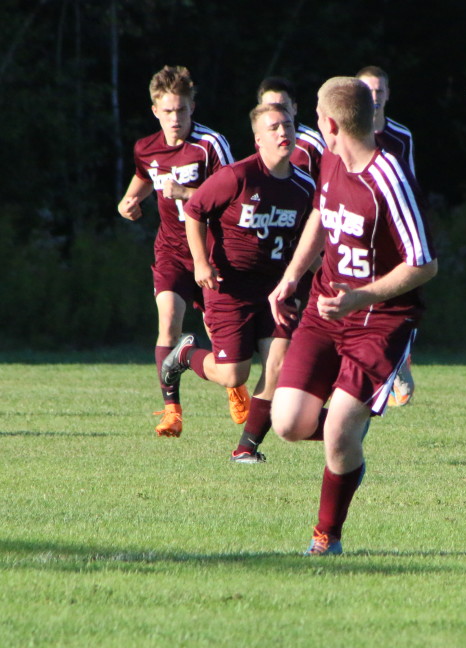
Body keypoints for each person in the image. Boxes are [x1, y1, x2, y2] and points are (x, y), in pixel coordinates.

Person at [268, 76, 437, 555]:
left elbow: (424, 263)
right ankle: (348, 451)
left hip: (382, 320)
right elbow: (321, 216)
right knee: (288, 423)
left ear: (330, 124)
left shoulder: (390, 178)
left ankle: (327, 537)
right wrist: (292, 277)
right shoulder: (330, 161)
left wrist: (360, 298)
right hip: (326, 309)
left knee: (338, 430)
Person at [160, 102, 316, 462]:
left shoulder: (305, 186)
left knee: (279, 366)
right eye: (274, 127)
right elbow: (195, 210)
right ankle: (184, 355)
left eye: (288, 125)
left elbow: (310, 241)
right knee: (233, 375)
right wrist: (201, 262)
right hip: (229, 287)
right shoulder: (237, 176)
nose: (283, 132)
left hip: (276, 289)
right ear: (258, 139)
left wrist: (331, 276)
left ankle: (246, 449)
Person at [117, 65, 235, 437]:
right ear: (155, 110)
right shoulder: (146, 148)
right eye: (167, 111)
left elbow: (234, 197)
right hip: (171, 250)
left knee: (219, 335)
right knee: (168, 320)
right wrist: (128, 201)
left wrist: (185, 193)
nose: (175, 118)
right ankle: (172, 412)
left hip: (213, 252)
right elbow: (145, 176)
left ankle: (234, 385)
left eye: (181, 110)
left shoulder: (210, 144)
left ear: (192, 107)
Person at [356, 65, 417, 406]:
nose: (374, 97)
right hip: (357, 231)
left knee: (399, 295)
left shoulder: (401, 136)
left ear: (388, 94)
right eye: (368, 90)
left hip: (392, 231)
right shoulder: (347, 134)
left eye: (379, 90)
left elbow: (410, 184)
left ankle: (399, 360)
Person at [257, 76, 328, 183]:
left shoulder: (311, 144)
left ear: (294, 109)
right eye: (269, 108)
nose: (277, 113)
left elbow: (333, 182)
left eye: (283, 107)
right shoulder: (262, 140)